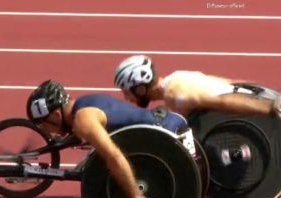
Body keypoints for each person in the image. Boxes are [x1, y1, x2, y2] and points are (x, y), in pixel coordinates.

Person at [26, 80, 190, 198]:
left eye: (43, 124)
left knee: (107, 160)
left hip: (168, 138)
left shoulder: (84, 120)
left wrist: (136, 197)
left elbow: (113, 155)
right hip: (172, 122)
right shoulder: (85, 102)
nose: (46, 131)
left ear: (55, 114)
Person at [113, 55, 281, 118]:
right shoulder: (177, 76)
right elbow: (230, 82)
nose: (127, 98)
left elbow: (221, 102)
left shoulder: (176, 94)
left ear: (140, 88)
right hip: (253, 96)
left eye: (127, 92)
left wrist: (270, 107)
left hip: (252, 110)